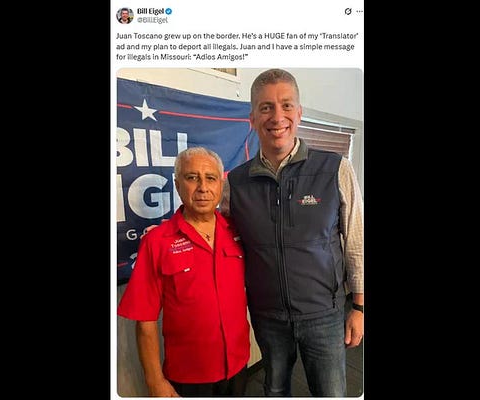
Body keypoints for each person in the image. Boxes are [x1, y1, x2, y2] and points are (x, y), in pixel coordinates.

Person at [220, 68, 364, 397]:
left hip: (324, 315)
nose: (277, 116)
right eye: (266, 107)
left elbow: (356, 242)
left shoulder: (335, 168)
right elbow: (216, 235)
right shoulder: (236, 183)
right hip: (267, 317)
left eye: (286, 105)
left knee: (330, 393)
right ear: (252, 119)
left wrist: (359, 308)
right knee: (275, 391)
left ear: (299, 113)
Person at [117, 147, 251, 397]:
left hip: (237, 364)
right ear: (178, 185)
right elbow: (145, 320)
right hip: (188, 375)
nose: (203, 188)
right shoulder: (157, 242)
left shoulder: (238, 230)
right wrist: (154, 380)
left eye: (210, 178)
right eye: (192, 178)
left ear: (220, 185)